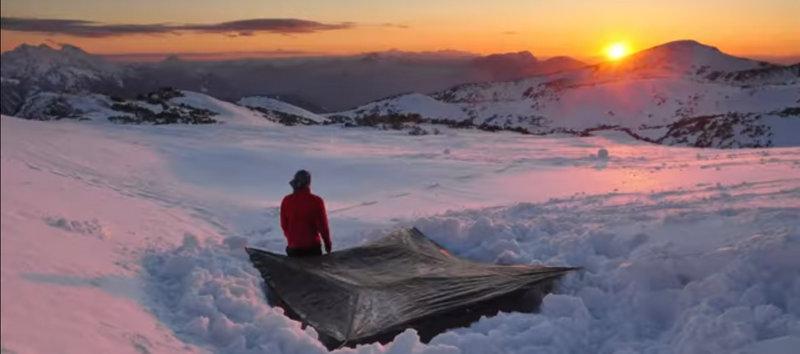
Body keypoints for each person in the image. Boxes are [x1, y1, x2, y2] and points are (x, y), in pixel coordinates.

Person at [280, 170, 332, 257]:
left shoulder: (286, 200)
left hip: (293, 249)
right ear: (308, 183)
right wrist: (327, 244)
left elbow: (284, 225)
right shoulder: (316, 201)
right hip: (312, 249)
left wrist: (292, 239)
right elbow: (323, 226)